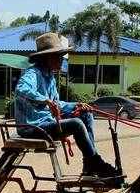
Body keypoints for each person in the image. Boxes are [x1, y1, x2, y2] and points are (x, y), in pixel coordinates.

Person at [15, 32, 118, 180]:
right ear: (47, 58)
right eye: (58, 57)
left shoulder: (50, 78)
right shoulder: (33, 73)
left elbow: (57, 104)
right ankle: (96, 162)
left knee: (85, 115)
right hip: (32, 128)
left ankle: (90, 162)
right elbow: (22, 89)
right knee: (76, 124)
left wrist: (78, 105)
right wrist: (45, 100)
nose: (61, 61)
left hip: (46, 124)